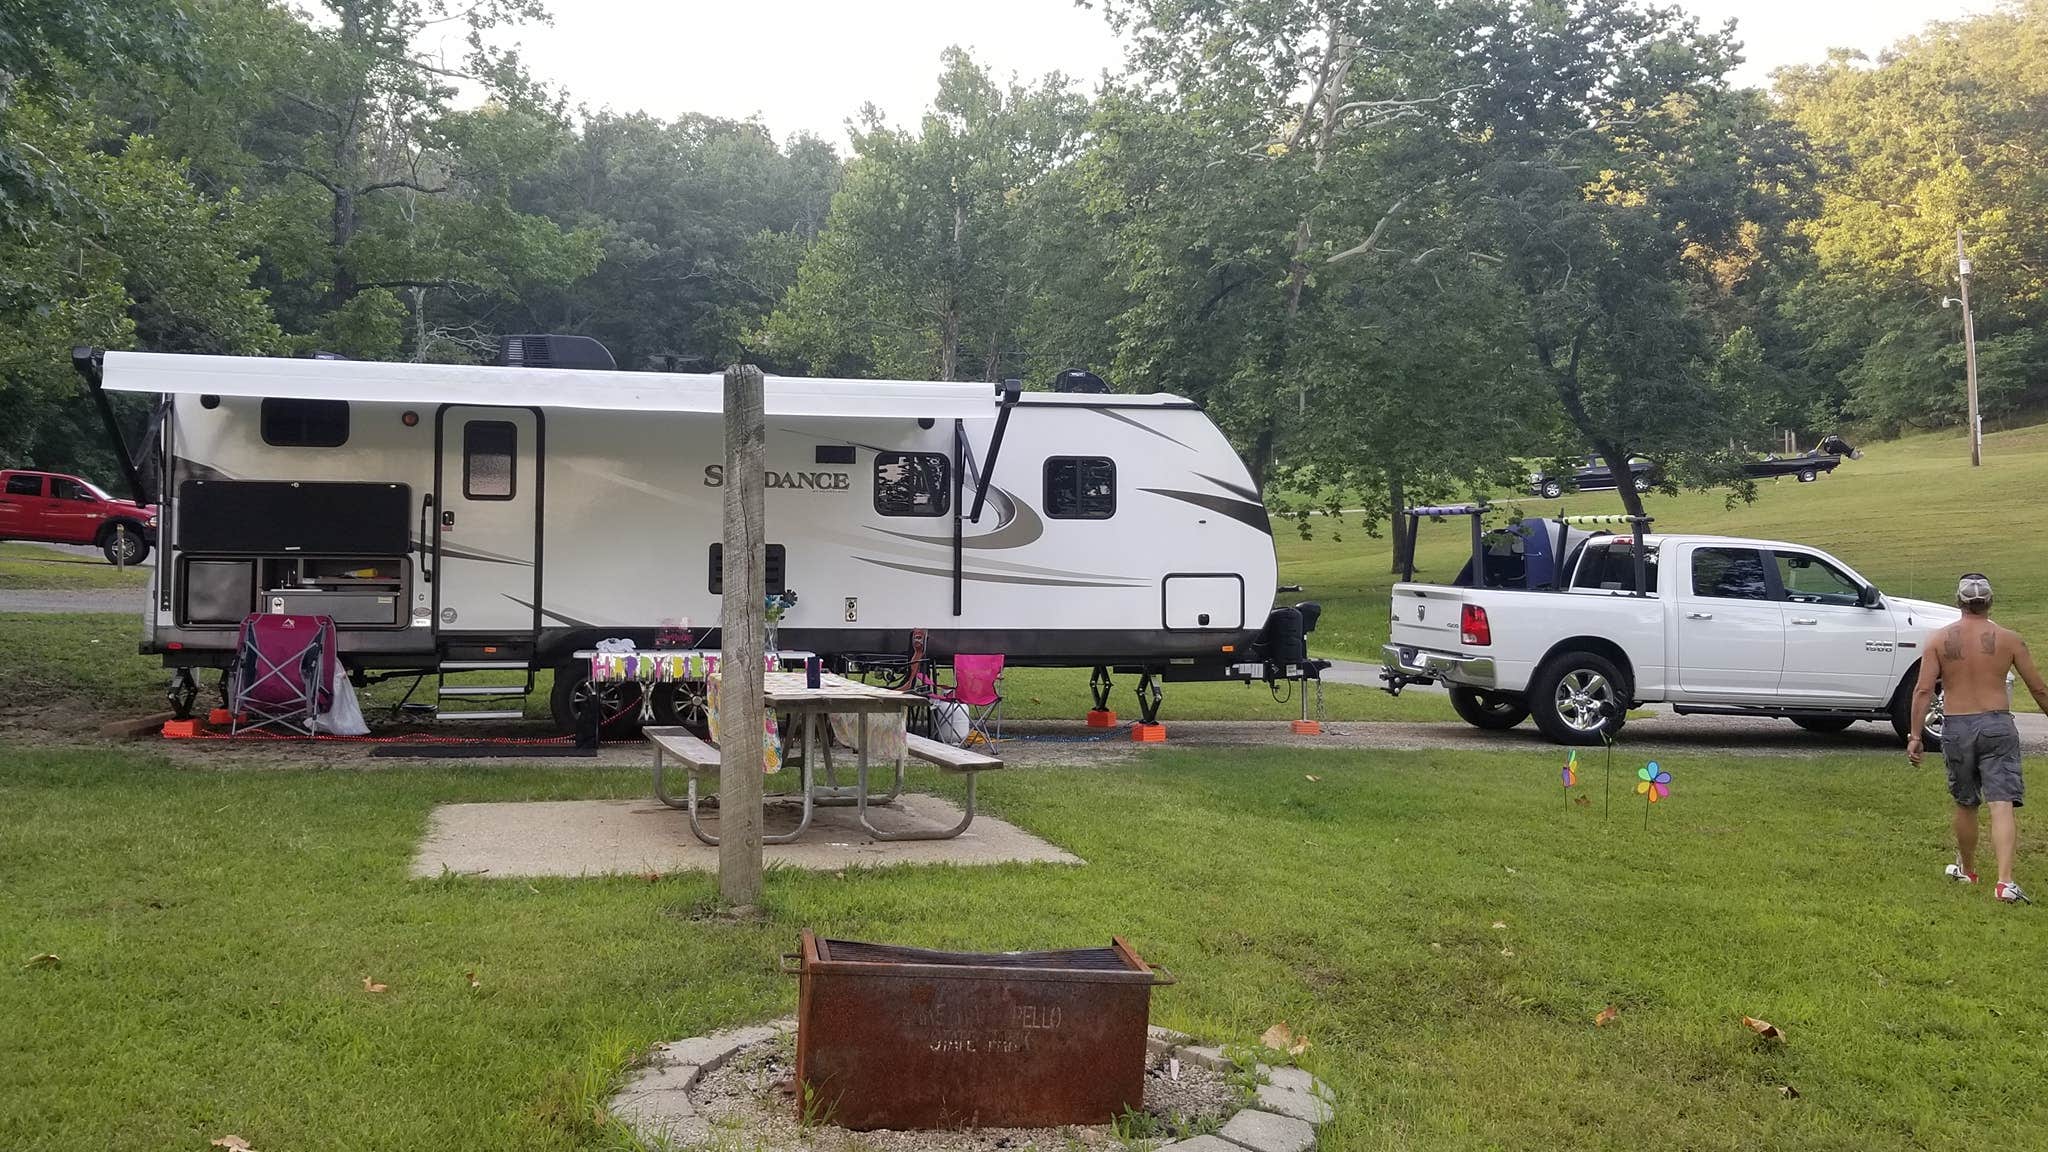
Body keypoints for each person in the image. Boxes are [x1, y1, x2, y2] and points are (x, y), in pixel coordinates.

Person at [1908, 573, 2048, 904]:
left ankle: (1968, 871)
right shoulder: (2009, 639)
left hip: (1957, 727)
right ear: (1990, 601)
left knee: (1965, 802)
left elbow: (1924, 689)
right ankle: (2004, 883)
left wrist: (1915, 735)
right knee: (2002, 804)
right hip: (1997, 725)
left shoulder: (1938, 639)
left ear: (1958, 601)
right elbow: (2038, 688)